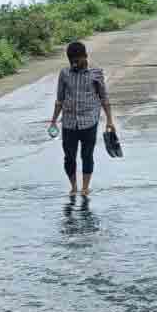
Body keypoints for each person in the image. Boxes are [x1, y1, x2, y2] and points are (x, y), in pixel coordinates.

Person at [48, 41, 116, 197]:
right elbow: (60, 100)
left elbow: (104, 98)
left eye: (77, 60)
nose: (74, 64)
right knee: (69, 157)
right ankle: (73, 187)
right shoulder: (64, 74)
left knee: (87, 155)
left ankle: (85, 188)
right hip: (69, 123)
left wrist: (110, 121)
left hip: (89, 122)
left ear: (85, 56)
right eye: (71, 61)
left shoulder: (96, 73)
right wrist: (53, 121)